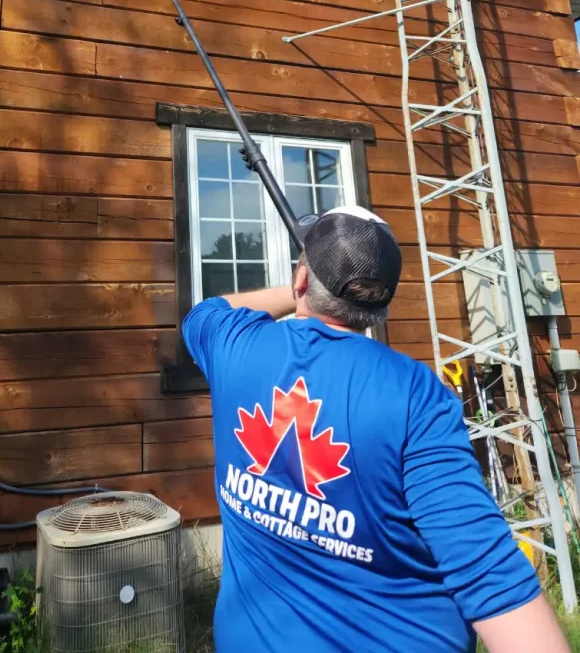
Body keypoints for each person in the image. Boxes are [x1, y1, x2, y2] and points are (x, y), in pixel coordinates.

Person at [183, 205, 568, 653]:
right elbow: (485, 572)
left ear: (302, 279)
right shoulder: (413, 392)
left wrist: (300, 289)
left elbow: (207, 311)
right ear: (381, 307)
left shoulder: (234, 349)